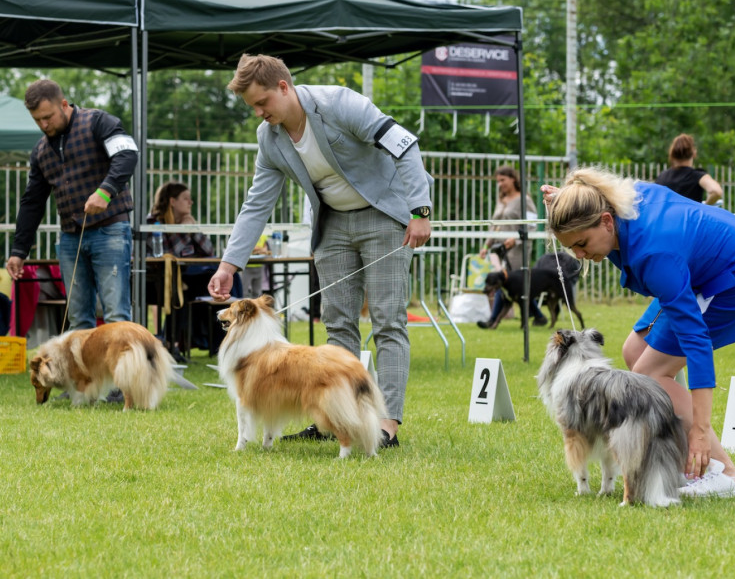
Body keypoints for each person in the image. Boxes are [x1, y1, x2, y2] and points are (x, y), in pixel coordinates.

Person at [207, 54, 433, 448]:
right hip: (332, 225)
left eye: (263, 103)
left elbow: (405, 146)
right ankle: (334, 419)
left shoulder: (340, 103)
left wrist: (420, 211)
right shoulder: (269, 138)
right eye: (252, 108)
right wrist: (229, 264)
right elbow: (257, 203)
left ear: (284, 87)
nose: (259, 113)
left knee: (388, 320)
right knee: (337, 322)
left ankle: (386, 425)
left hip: (385, 215)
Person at [544, 167, 735, 498]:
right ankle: (680, 460)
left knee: (650, 373)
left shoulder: (655, 252)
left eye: (581, 243)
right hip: (694, 268)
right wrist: (564, 199)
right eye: (571, 247)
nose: (578, 255)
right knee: (634, 352)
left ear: (607, 222)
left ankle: (727, 476)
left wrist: (702, 431)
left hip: (733, 272)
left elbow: (696, 341)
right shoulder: (616, 203)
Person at [6, 79, 137, 331]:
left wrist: (106, 191)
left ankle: (122, 372)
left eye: (48, 117)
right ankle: (85, 372)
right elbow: (32, 202)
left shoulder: (98, 122)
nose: (44, 125)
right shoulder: (40, 151)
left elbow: (127, 154)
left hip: (110, 231)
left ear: (63, 105)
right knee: (78, 320)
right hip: (70, 239)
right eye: (37, 120)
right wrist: (18, 251)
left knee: (116, 316)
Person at [146, 181, 217, 351]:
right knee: (181, 292)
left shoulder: (187, 221)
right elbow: (167, 254)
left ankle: (215, 341)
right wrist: (185, 230)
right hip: (156, 279)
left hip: (183, 276)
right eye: (185, 198)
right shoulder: (153, 222)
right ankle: (173, 343)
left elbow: (209, 251)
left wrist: (193, 228)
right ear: (172, 201)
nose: (190, 202)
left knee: (221, 279)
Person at [477, 165, 546, 328]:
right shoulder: (501, 200)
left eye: (503, 180)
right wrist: (486, 245)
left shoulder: (525, 200)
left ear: (513, 179)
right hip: (499, 249)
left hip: (517, 250)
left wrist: (515, 239)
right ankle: (538, 315)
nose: (500, 184)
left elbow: (532, 225)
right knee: (509, 285)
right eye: (498, 181)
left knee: (508, 283)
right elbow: (495, 225)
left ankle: (493, 320)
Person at [654, 133, 723, 205]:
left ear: (672, 154)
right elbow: (716, 191)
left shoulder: (662, 177)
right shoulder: (697, 176)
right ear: (694, 153)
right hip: (689, 216)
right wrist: (704, 207)